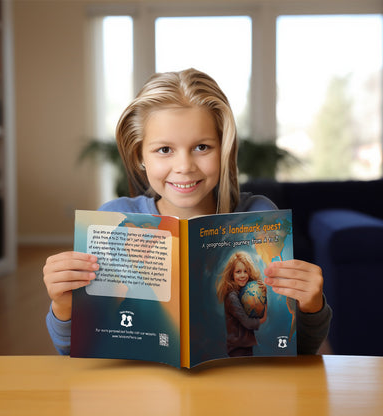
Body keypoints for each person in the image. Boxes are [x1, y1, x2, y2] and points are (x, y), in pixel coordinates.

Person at [43, 68, 332, 356]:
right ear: (139, 155)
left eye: (202, 147)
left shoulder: (259, 215)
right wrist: (64, 304)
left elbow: (300, 348)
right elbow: (71, 348)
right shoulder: (114, 219)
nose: (184, 166)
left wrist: (311, 305)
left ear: (224, 150)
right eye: (164, 150)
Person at [216, 251, 268, 357]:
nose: (243, 275)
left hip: (245, 346)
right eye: (238, 272)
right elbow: (248, 323)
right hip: (237, 349)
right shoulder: (232, 297)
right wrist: (262, 319)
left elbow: (256, 312)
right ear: (232, 274)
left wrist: (262, 294)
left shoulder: (243, 291)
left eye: (245, 271)